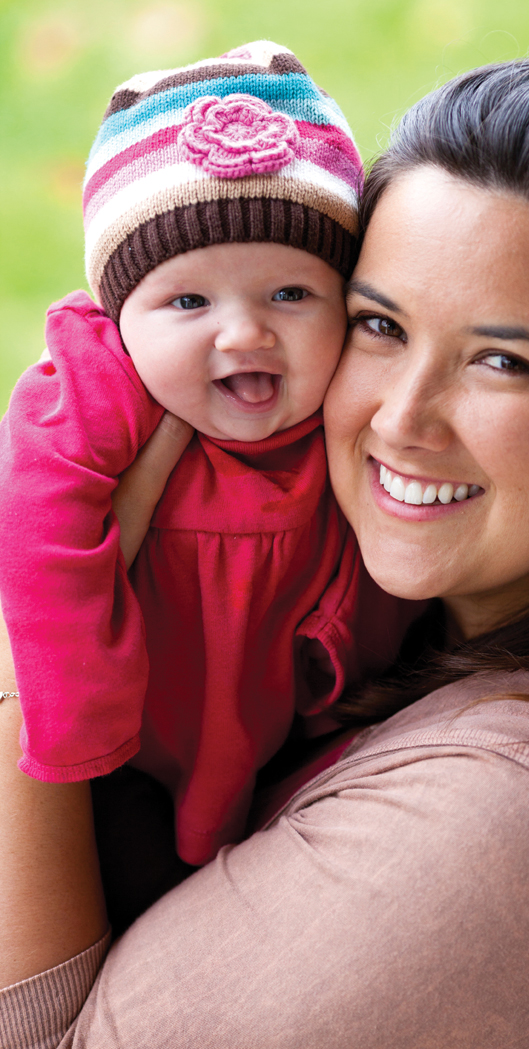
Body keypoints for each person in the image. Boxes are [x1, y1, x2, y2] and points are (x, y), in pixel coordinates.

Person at [2, 56, 529, 1047]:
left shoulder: (514, 814)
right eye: (379, 324)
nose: (400, 417)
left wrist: (31, 656)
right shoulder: (474, 606)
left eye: (502, 360)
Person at [0, 39, 415, 871]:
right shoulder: (104, 379)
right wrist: (83, 717)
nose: (244, 331)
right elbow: (34, 511)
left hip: (277, 738)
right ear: (120, 315)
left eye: (291, 294)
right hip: (118, 748)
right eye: (188, 300)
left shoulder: (349, 397)